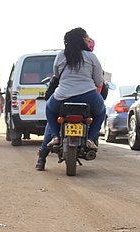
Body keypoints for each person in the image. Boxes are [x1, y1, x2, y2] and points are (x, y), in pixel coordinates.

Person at [38, 27, 105, 169]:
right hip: (89, 96)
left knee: (50, 109)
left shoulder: (61, 56)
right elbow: (99, 81)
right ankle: (90, 139)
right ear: (82, 40)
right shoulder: (91, 57)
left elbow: (56, 75)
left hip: (62, 96)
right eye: (87, 38)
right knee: (101, 112)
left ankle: (56, 137)